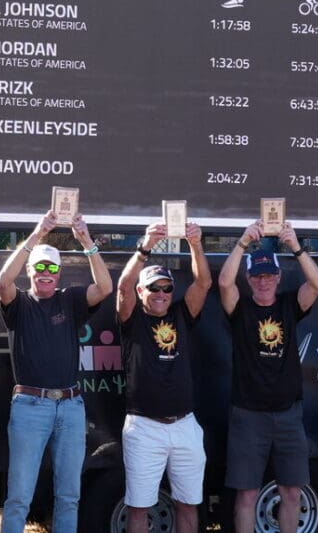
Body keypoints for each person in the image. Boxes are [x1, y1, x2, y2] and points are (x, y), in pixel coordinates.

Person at [0, 210, 113, 533]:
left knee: (69, 496)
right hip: (30, 407)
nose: (45, 274)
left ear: (59, 275)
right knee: (19, 497)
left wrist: (86, 240)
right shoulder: (18, 304)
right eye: (40, 268)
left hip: (71, 407)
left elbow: (104, 286)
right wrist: (37, 235)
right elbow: (3, 281)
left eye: (52, 269)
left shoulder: (70, 300)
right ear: (31, 271)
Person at [218, 220, 318, 533]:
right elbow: (225, 283)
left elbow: (317, 283)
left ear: (278, 277)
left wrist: (295, 246)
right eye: (257, 275)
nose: (263, 281)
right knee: (247, 493)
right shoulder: (240, 309)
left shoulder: (291, 305)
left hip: (288, 414)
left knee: (292, 492)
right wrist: (242, 243)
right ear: (249, 279)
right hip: (248, 415)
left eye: (268, 275)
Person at [116, 222, 212, 533]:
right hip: (144, 428)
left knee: (188, 503)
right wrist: (145, 247)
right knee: (139, 507)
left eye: (167, 288)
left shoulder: (182, 315)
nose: (161, 294)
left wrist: (195, 244)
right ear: (141, 291)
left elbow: (204, 283)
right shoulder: (132, 318)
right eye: (153, 288)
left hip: (184, 425)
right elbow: (122, 288)